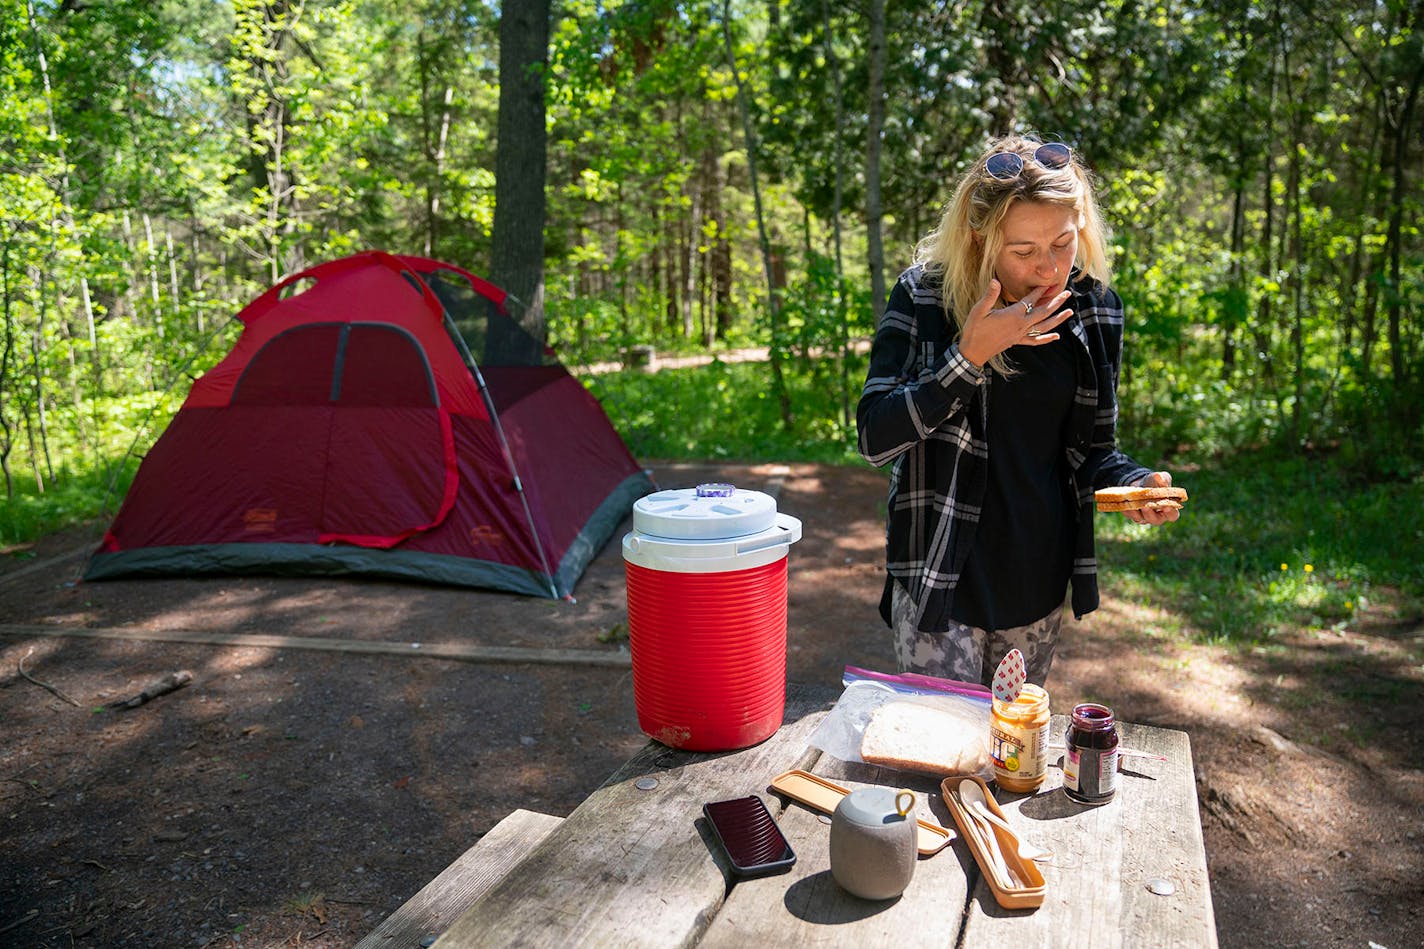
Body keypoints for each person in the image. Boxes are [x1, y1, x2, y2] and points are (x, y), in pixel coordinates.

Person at [856, 133, 1179, 689]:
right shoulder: (925, 298)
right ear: (982, 241)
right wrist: (970, 356)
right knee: (945, 761)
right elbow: (874, 437)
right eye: (1024, 251)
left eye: (1063, 243)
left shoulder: (1097, 309)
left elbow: (1093, 452)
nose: (1049, 268)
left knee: (1012, 757)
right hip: (938, 580)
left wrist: (1135, 485)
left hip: (1037, 587)